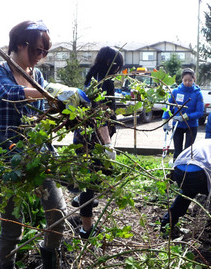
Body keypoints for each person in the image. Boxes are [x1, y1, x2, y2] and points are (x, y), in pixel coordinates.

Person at [0, 20, 67, 268]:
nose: (41, 57)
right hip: (6, 156)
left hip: (38, 154)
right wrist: (51, 94)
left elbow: (40, 114)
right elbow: (9, 94)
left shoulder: (36, 75)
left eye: (45, 52)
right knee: (12, 224)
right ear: (21, 44)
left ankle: (49, 257)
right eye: (37, 50)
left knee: (57, 213)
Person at [73, 46, 123, 239]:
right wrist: (108, 143)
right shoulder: (105, 82)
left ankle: (82, 199)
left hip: (83, 136)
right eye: (118, 66)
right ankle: (86, 229)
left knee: (89, 177)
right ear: (113, 65)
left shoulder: (92, 77)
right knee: (90, 182)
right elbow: (100, 114)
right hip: (94, 140)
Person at [162, 68, 204, 160]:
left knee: (188, 151)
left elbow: (200, 112)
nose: (187, 83)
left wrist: (187, 117)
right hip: (177, 125)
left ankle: (186, 171)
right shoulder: (176, 92)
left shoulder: (197, 94)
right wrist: (165, 120)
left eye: (190, 80)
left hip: (191, 126)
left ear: (194, 79)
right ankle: (176, 170)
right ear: (182, 80)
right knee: (177, 150)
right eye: (185, 80)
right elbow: (168, 106)